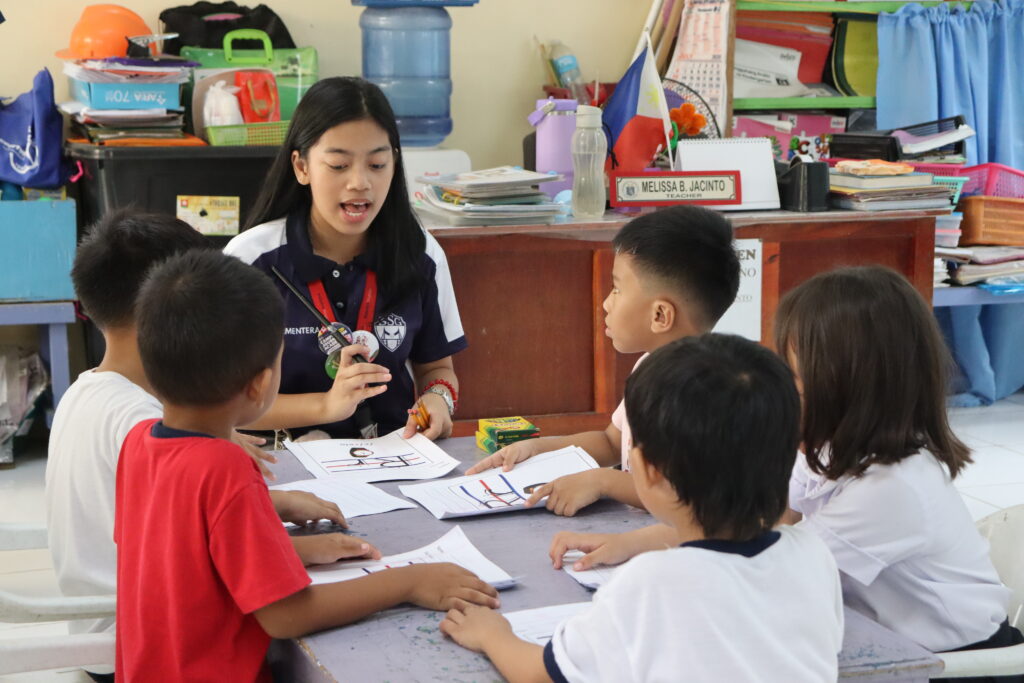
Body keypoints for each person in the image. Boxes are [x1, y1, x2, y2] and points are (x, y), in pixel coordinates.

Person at [115, 249, 499, 682]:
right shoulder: (226, 468)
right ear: (261, 383)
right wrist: (409, 583)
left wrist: (274, 514)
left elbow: (183, 544)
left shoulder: (139, 441)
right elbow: (287, 615)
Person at [45, 211, 365, 683]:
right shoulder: (146, 421)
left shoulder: (86, 390)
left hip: (115, 637)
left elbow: (167, 518)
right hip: (147, 639)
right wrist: (297, 548)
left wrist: (273, 505)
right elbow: (198, 551)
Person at [441, 334, 844, 682]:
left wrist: (492, 634)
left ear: (648, 470)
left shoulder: (650, 583)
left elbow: (542, 674)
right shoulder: (812, 555)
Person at [776, 266, 1020, 665]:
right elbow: (777, 513)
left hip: (961, 664)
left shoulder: (893, 487)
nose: (785, 395)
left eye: (798, 382)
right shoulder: (831, 447)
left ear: (851, 390)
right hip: (890, 642)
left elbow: (773, 568)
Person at [225, 76, 465, 442]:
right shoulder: (249, 260)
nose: (360, 183)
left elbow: (437, 367)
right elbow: (223, 402)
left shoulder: (422, 253)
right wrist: (324, 407)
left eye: (377, 165)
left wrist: (438, 400)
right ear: (302, 167)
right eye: (338, 166)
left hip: (392, 459)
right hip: (282, 464)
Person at [467, 205, 740, 516]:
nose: (606, 303)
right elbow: (611, 443)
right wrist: (537, 449)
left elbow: (679, 495)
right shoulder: (650, 367)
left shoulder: (702, 393)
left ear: (660, 315)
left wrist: (604, 482)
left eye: (617, 289)